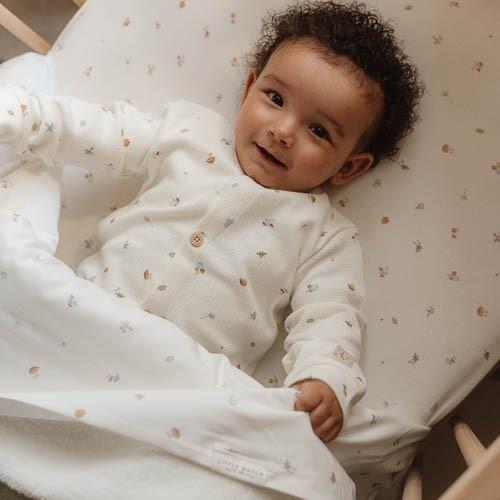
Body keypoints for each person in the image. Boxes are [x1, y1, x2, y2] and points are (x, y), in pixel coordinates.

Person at [0, 1, 423, 444]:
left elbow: (331, 315)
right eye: (275, 99)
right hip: (83, 317)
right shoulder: (189, 131)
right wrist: (23, 116)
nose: (283, 131)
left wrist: (324, 377)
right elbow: (99, 131)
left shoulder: (323, 235)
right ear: (249, 88)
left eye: (318, 131)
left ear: (349, 167)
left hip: (181, 388)